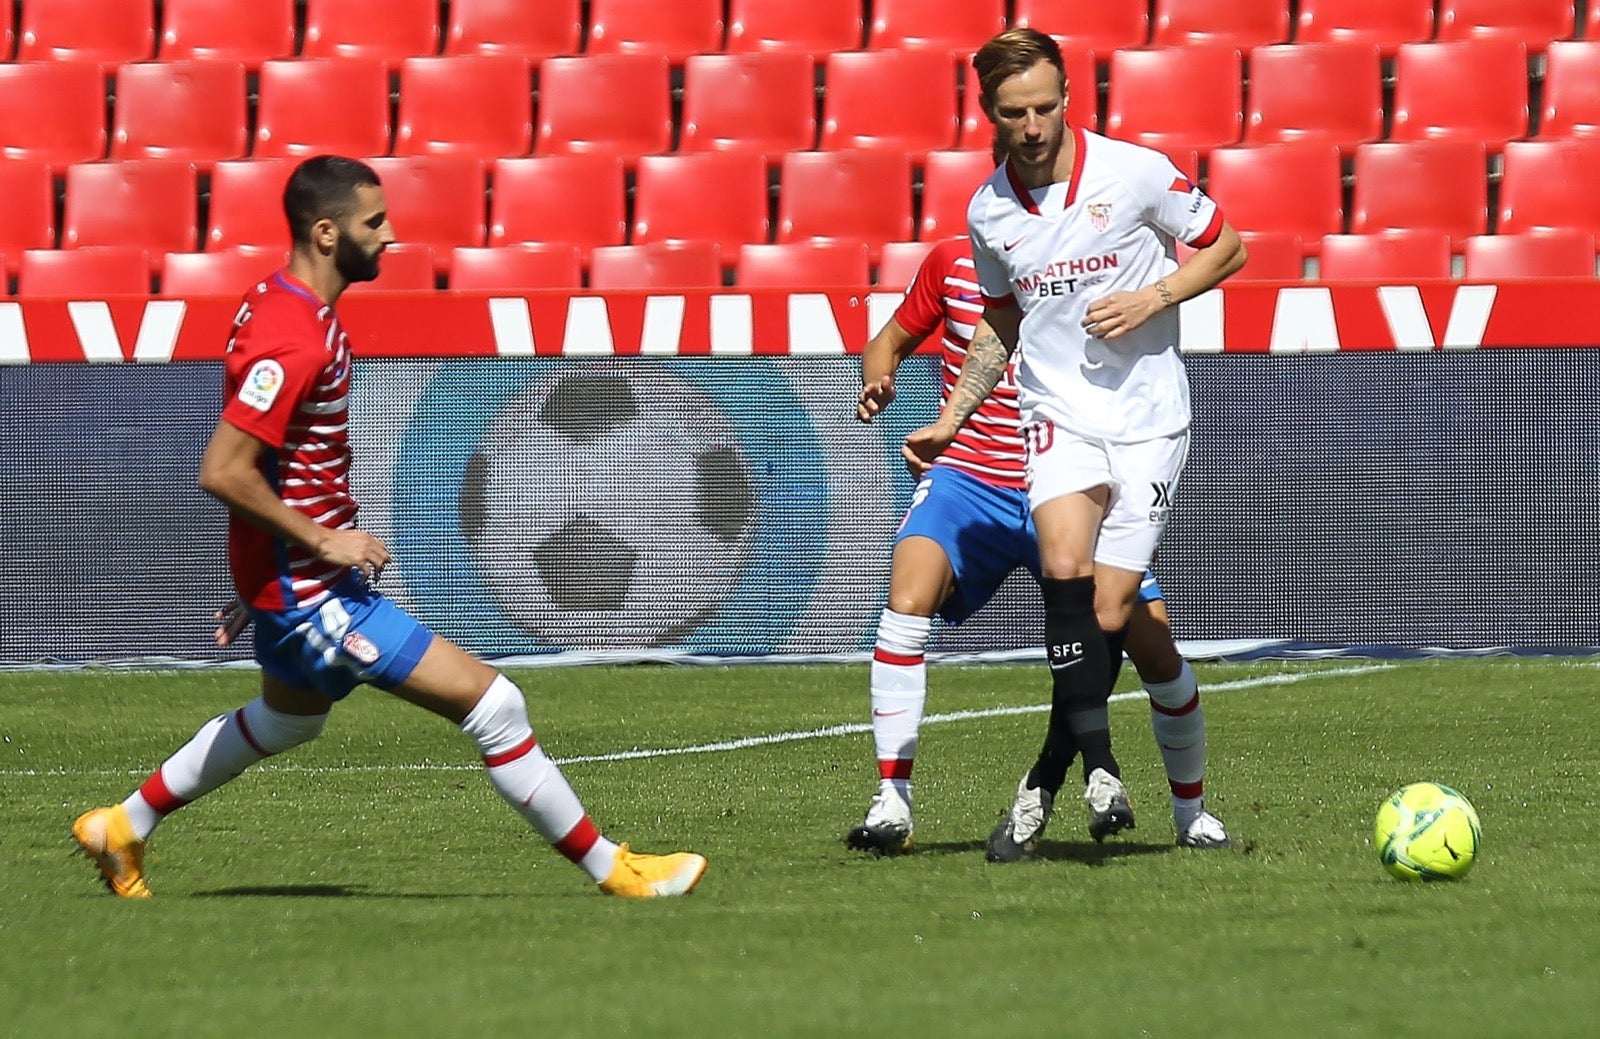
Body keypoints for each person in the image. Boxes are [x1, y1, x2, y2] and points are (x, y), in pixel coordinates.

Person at [71, 156, 707, 900]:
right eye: (374, 222)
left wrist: (261, 575)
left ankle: (124, 824)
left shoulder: (284, 306)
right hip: (315, 592)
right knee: (495, 705)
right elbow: (223, 468)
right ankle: (617, 871)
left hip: (295, 586)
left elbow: (270, 468)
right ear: (326, 231)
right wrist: (312, 546)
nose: (390, 233)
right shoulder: (295, 338)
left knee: (287, 723)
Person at [903, 28, 1246, 862]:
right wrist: (952, 417)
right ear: (988, 112)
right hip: (1056, 413)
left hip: (1150, 420)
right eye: (1015, 111)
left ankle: (1057, 780)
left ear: (1067, 99)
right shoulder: (988, 210)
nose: (1032, 124)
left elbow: (1228, 247)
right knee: (1063, 570)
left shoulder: (1133, 173)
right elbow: (1001, 319)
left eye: (1046, 106)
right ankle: (1101, 767)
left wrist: (1153, 295)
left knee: (1108, 613)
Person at [845, 237, 1228, 859]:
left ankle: (1191, 813)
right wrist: (878, 377)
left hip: (1065, 479)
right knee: (905, 600)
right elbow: (886, 340)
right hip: (969, 477)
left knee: (1154, 648)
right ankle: (892, 800)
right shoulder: (952, 262)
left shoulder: (1090, 265)